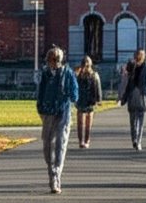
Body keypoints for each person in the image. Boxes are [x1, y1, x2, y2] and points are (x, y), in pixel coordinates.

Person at [36, 46, 79, 194]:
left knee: (61, 143)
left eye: (55, 60)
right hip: (48, 112)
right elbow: (41, 91)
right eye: (51, 60)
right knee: (47, 144)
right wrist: (40, 107)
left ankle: (56, 175)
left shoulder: (68, 73)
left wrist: (70, 94)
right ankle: (51, 170)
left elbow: (75, 94)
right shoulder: (46, 74)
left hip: (63, 113)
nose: (53, 63)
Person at [120, 49, 146, 150]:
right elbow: (125, 80)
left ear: (144, 56)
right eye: (137, 54)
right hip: (132, 94)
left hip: (141, 95)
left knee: (140, 120)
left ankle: (138, 141)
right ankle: (134, 139)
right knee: (133, 120)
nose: (139, 56)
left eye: (141, 55)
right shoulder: (131, 66)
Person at [74, 56, 102, 148]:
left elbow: (98, 88)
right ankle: (81, 141)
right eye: (84, 63)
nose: (86, 65)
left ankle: (87, 140)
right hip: (81, 100)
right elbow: (73, 86)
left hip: (90, 100)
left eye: (88, 63)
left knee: (88, 123)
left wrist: (98, 99)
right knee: (80, 122)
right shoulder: (78, 75)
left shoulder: (94, 75)